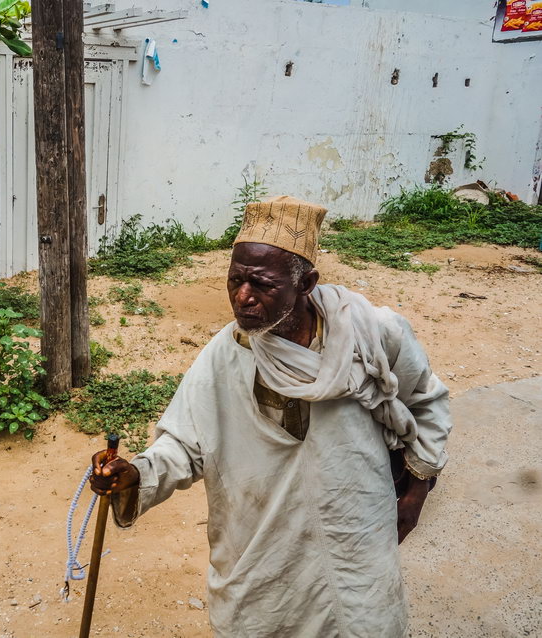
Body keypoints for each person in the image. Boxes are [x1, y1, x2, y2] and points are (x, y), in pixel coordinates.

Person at [90, 196, 452, 637]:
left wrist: (416, 493)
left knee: (362, 619)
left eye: (262, 284)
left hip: (354, 529)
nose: (243, 298)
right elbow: (184, 445)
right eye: (235, 280)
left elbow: (426, 402)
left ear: (306, 283)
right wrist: (136, 473)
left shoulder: (371, 334)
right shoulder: (225, 355)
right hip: (260, 539)